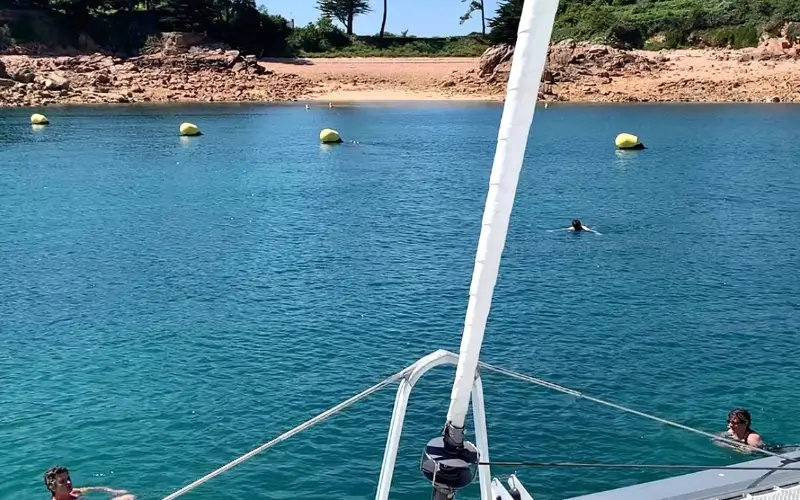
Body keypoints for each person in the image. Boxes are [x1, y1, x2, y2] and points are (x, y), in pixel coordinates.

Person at [44, 466, 135, 500]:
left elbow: (91, 489)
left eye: (68, 479)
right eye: (62, 481)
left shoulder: (73, 492)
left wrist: (110, 491)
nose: (68, 482)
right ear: (52, 487)